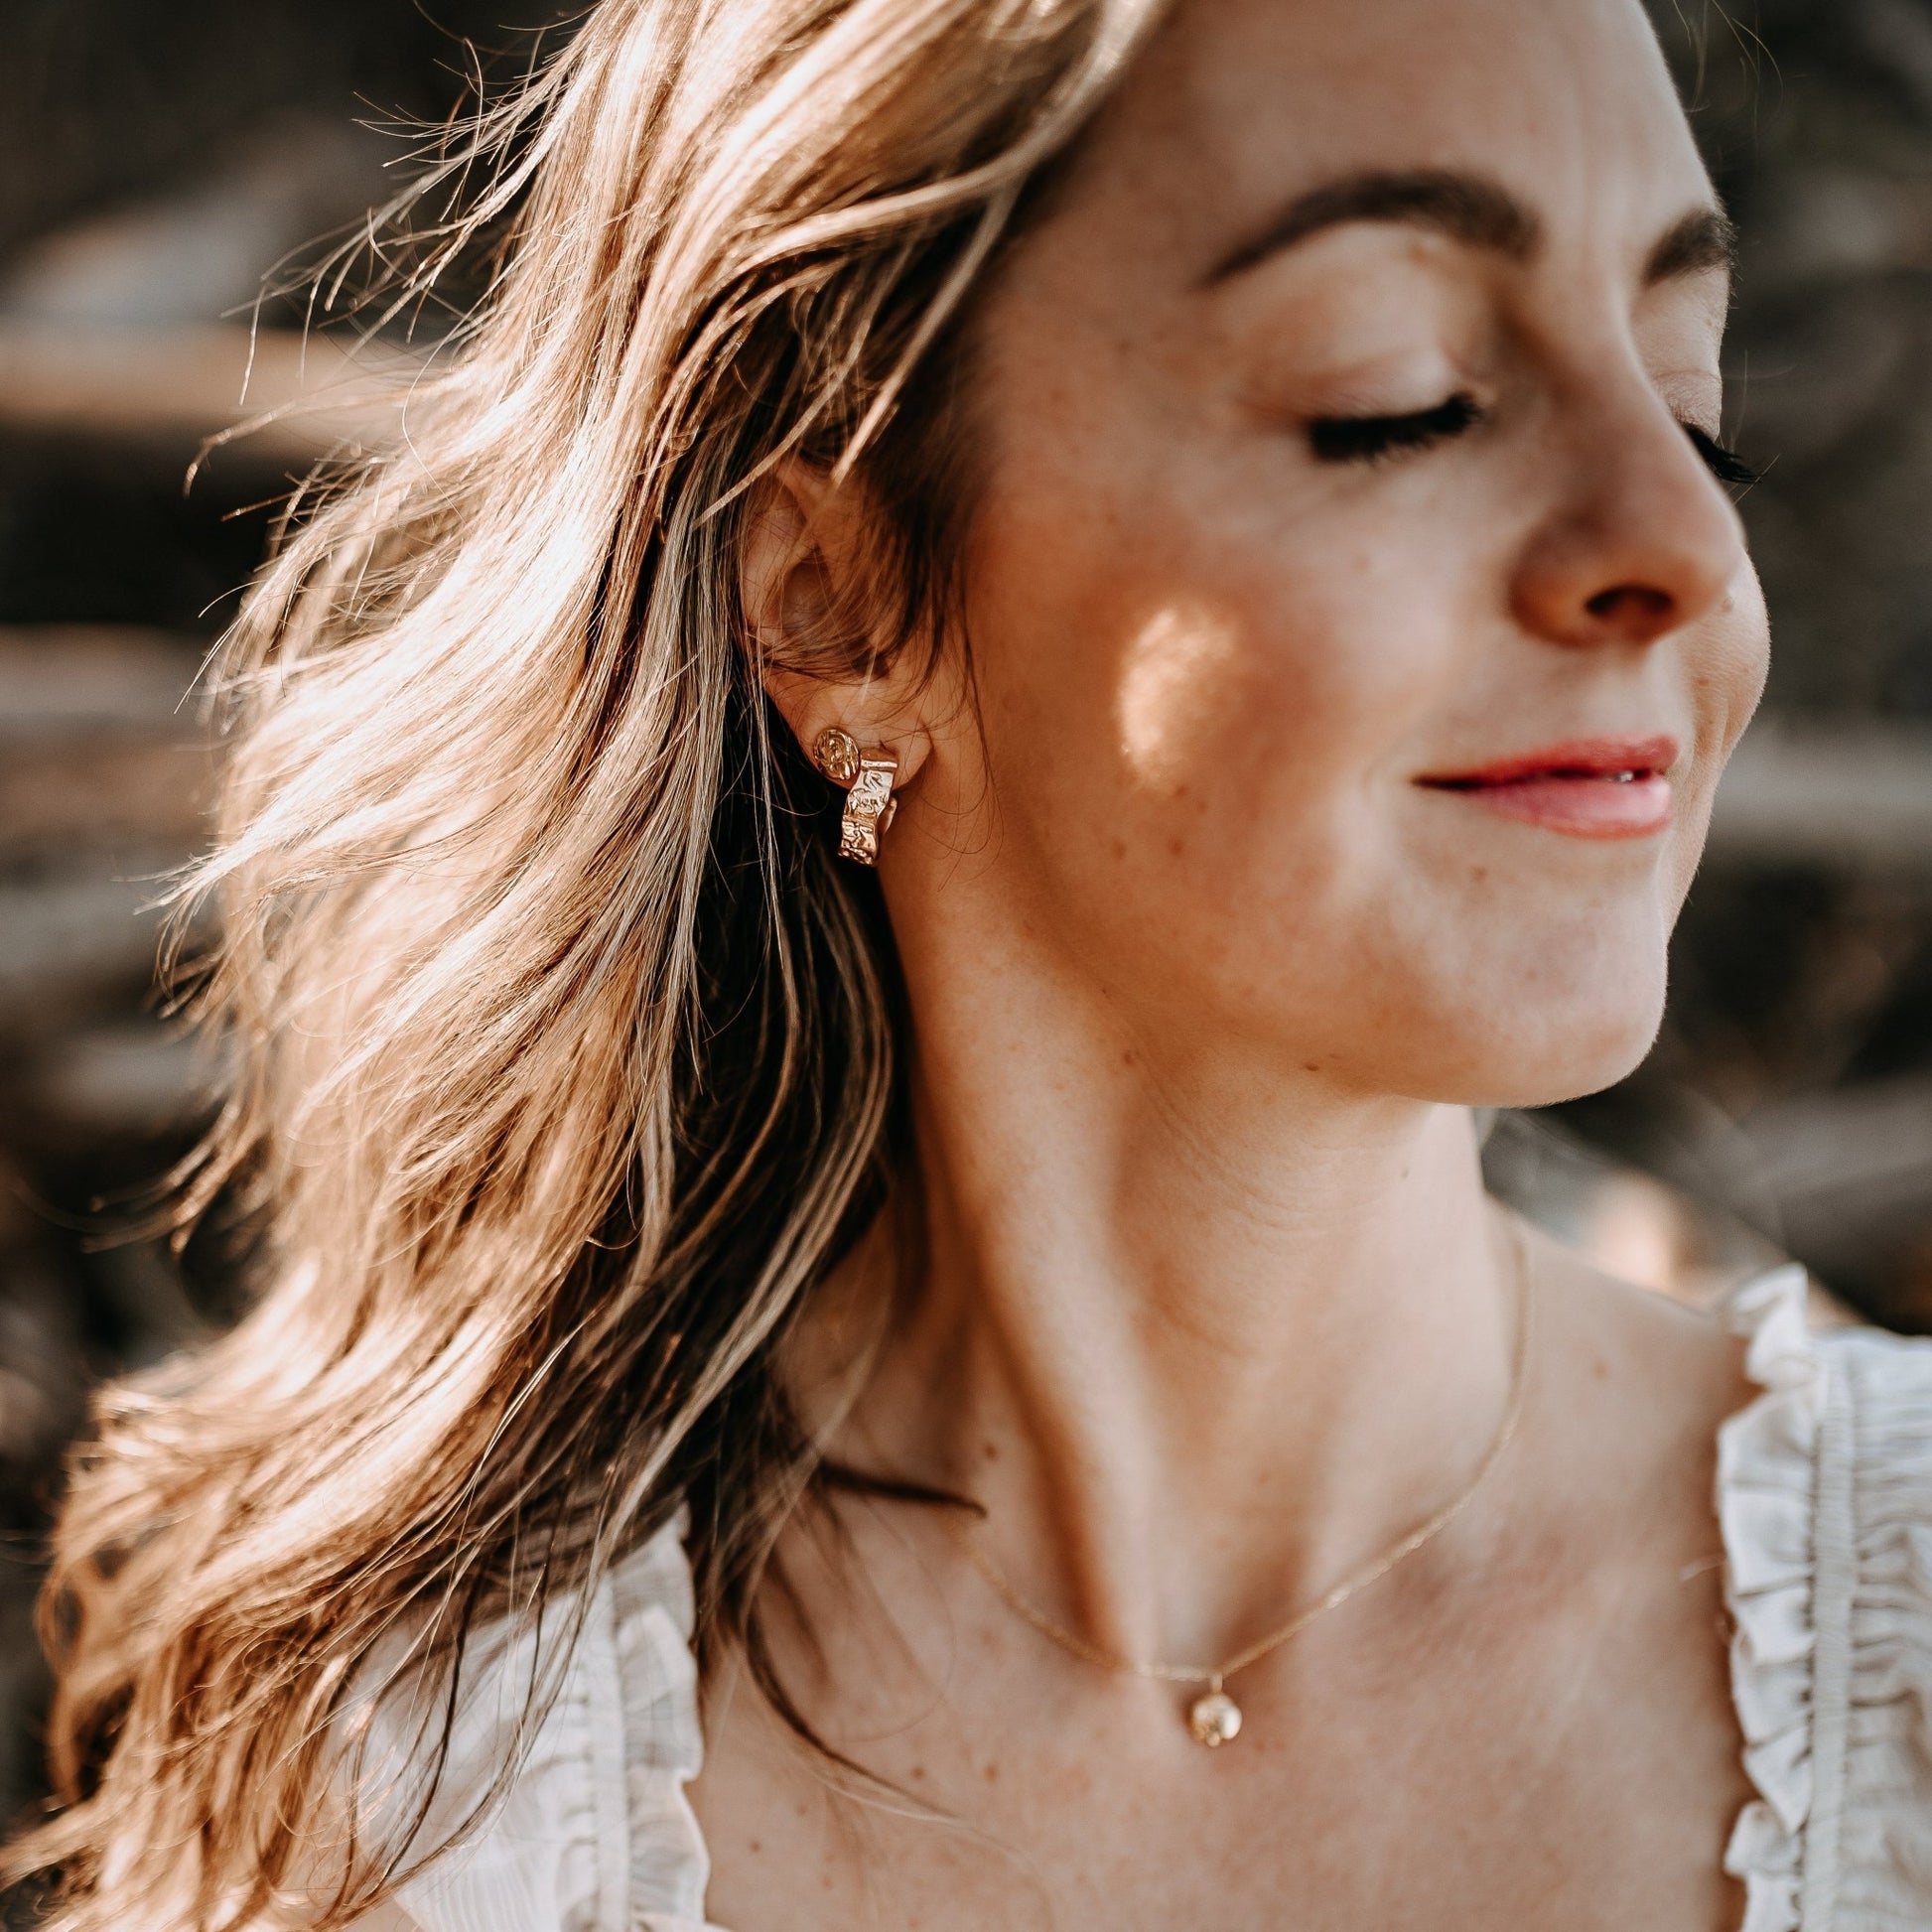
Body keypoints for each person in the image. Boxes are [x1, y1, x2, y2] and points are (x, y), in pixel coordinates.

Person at [11, 0, 1932, 1924]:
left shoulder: (1899, 1665)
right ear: (833, 600)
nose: (1675, 536)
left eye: (1692, 394)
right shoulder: (440, 1798)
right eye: (1401, 392)